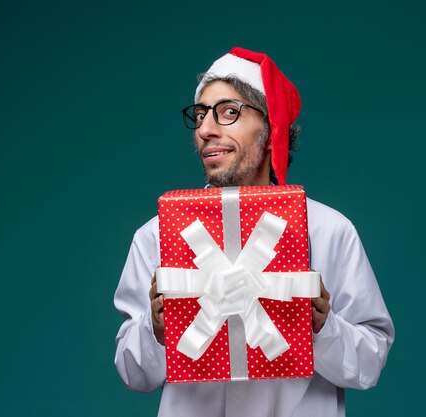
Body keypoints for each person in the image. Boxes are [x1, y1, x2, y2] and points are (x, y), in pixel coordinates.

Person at [114, 47, 395, 417]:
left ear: (270, 128)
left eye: (228, 112)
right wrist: (156, 329)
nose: (206, 130)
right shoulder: (156, 236)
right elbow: (134, 374)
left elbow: (369, 364)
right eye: (200, 115)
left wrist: (324, 328)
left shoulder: (328, 232)